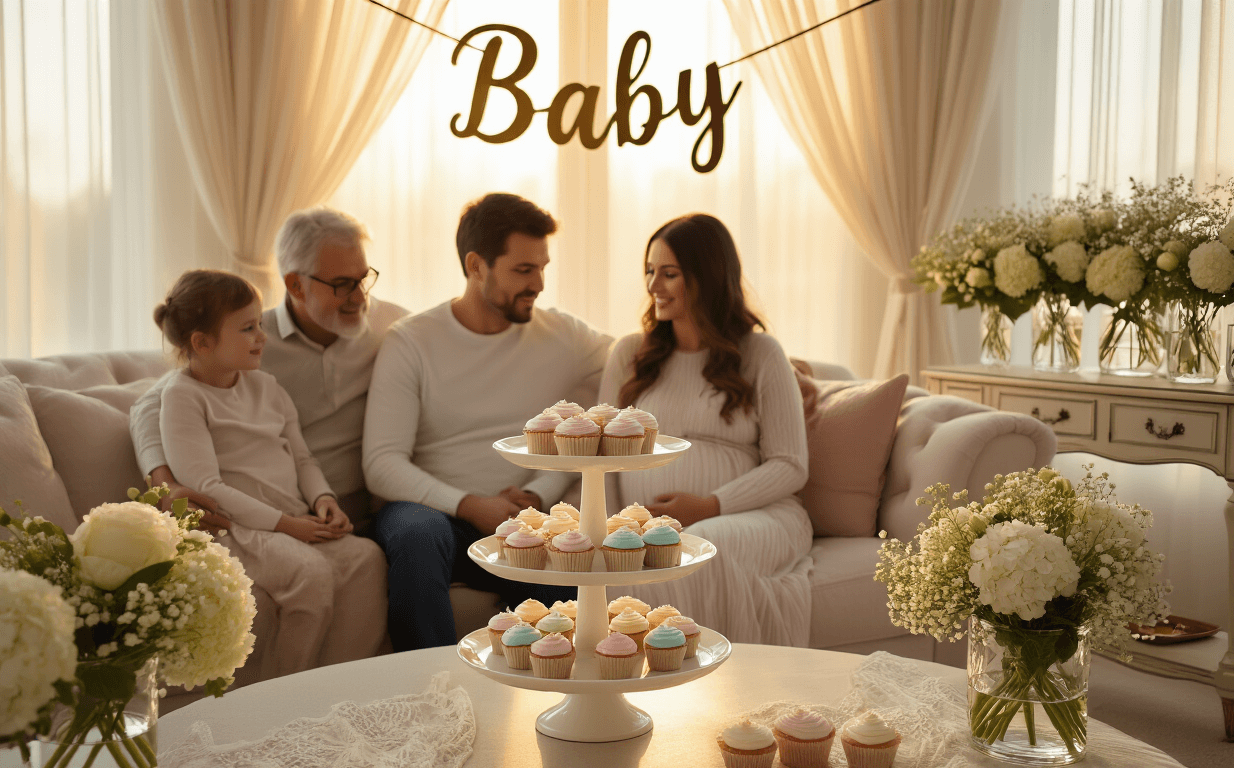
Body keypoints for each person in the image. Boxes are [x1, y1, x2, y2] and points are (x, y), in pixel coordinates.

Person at [362, 193, 612, 650]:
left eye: (542, 268)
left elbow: (641, 357)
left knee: (562, 547)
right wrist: (470, 504)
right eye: (523, 270)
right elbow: (381, 463)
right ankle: (430, 691)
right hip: (435, 514)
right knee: (418, 534)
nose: (538, 283)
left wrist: (538, 492)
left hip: (523, 514)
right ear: (477, 265)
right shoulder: (412, 341)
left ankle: (559, 692)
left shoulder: (565, 337)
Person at [150, 269, 385, 677]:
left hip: (290, 515)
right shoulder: (182, 397)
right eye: (247, 328)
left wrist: (324, 501)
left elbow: (303, 460)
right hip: (238, 528)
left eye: (259, 324)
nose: (262, 336)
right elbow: (206, 487)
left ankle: (342, 682)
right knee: (308, 573)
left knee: (366, 557)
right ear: (201, 343)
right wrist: (290, 527)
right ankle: (283, 692)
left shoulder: (268, 387)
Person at [597, 213, 813, 645]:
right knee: (625, 559)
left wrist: (709, 505)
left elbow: (791, 465)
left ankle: (712, 684)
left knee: (696, 546)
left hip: (754, 517)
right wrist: (612, 527)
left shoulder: (760, 354)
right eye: (650, 271)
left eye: (669, 273)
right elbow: (600, 455)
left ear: (708, 278)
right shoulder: (630, 356)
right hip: (659, 525)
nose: (653, 285)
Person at [131, 208, 410, 534]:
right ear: (295, 285)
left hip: (380, 506)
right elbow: (148, 407)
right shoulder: (246, 341)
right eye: (342, 284)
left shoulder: (394, 327)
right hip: (284, 512)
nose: (359, 297)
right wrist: (166, 487)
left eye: (364, 278)